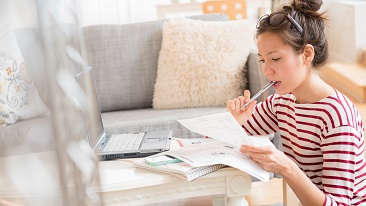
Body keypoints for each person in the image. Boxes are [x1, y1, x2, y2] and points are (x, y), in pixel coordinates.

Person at [227, 0, 366, 205]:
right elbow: (231, 141)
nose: (266, 70)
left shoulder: (337, 118)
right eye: (262, 60)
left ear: (307, 54)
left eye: (275, 59)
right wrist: (236, 122)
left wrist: (287, 167)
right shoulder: (282, 101)